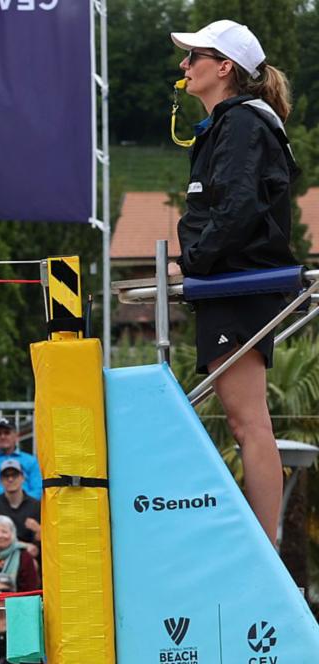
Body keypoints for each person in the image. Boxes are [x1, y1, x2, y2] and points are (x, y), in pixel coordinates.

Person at [174, 19, 297, 541]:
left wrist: (194, 262)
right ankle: (262, 540)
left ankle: (264, 544)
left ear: (224, 67)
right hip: (231, 281)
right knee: (244, 418)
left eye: (194, 56)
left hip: (238, 282)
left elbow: (239, 206)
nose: (184, 65)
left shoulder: (243, 122)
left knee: (249, 421)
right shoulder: (231, 123)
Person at [0, 457, 42, 556]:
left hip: (29, 558)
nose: (10, 479)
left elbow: (40, 545)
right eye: (6, 476)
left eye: (15, 475)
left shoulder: (36, 506)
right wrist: (21, 546)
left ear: (23, 478)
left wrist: (39, 532)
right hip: (0, 556)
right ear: (0, 480)